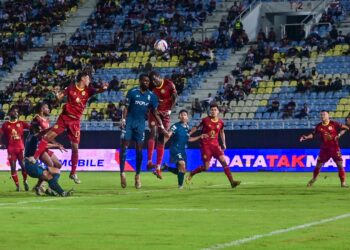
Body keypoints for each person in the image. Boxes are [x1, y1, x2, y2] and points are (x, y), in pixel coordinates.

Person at [33, 71, 109, 184]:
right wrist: (57, 96)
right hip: (64, 118)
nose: (89, 81)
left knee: (75, 148)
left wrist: (104, 88)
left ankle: (73, 172)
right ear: (83, 78)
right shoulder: (70, 88)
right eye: (88, 78)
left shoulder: (89, 90)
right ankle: (34, 159)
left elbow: (100, 91)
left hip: (75, 122)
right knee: (47, 137)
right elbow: (58, 98)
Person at [120, 74, 165, 189]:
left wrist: (161, 125)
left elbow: (154, 112)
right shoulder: (132, 92)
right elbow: (126, 107)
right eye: (144, 81)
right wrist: (123, 119)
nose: (146, 83)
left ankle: (137, 176)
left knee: (139, 151)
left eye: (147, 81)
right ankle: (122, 173)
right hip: (129, 123)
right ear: (140, 81)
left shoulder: (152, 96)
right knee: (124, 148)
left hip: (140, 125)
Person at [186, 103, 241, 188]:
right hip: (205, 145)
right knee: (206, 167)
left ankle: (232, 182)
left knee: (223, 161)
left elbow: (222, 132)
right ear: (210, 111)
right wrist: (189, 134)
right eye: (212, 110)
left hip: (216, 145)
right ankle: (192, 173)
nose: (213, 111)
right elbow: (197, 127)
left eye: (215, 110)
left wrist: (224, 143)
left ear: (218, 111)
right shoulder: (205, 120)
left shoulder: (221, 122)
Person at [300, 110, 349, 188]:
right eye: (321, 115)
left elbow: (345, 128)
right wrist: (306, 137)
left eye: (324, 114)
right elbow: (313, 135)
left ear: (328, 116)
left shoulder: (334, 123)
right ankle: (314, 179)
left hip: (334, 148)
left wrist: (339, 134)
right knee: (318, 166)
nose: (322, 116)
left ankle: (343, 183)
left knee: (340, 165)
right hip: (324, 149)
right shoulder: (319, 126)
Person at [24, 121, 72, 197]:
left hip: (32, 164)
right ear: (34, 129)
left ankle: (48, 188)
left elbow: (43, 142)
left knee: (56, 171)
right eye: (38, 128)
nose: (40, 129)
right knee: (49, 176)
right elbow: (42, 135)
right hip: (31, 165)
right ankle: (61, 192)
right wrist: (58, 126)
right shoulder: (33, 137)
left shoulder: (31, 137)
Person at [162, 110, 207, 189]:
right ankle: (180, 186)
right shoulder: (175, 126)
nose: (183, 116)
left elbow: (188, 139)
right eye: (181, 115)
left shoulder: (187, 127)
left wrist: (200, 136)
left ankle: (167, 168)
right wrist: (162, 145)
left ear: (187, 117)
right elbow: (168, 135)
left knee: (182, 170)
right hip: (175, 148)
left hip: (182, 150)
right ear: (179, 117)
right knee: (182, 164)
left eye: (185, 115)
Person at [147, 71, 177, 179]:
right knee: (153, 132)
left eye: (155, 80)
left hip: (166, 114)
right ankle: (150, 161)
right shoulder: (151, 88)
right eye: (152, 81)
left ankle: (158, 168)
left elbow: (175, 98)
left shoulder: (169, 84)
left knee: (161, 139)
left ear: (159, 77)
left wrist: (170, 110)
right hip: (154, 112)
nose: (154, 82)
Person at [31, 102, 63, 194]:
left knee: (58, 165)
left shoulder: (47, 120)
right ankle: (47, 185)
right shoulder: (36, 119)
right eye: (47, 108)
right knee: (50, 164)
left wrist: (57, 143)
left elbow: (48, 136)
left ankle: (39, 185)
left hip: (45, 146)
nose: (49, 109)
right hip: (38, 146)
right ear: (42, 109)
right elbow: (35, 135)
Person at [0, 106, 30, 191]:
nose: (16, 113)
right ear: (10, 113)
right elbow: (0, 134)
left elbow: (31, 128)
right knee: (13, 167)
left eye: (17, 112)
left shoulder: (21, 123)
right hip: (11, 149)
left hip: (20, 148)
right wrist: (1, 143)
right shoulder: (5, 125)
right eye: (14, 111)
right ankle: (17, 186)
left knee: (23, 166)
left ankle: (25, 181)